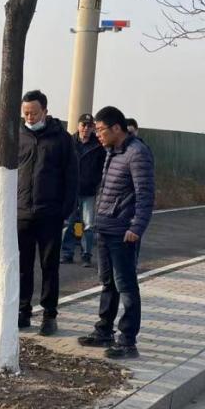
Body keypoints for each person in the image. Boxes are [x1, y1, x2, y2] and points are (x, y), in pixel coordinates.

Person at [78, 106, 154, 359]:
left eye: (101, 130)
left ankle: (128, 341)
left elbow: (145, 195)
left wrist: (137, 227)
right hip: (105, 227)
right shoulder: (112, 151)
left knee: (126, 285)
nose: (97, 134)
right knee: (108, 282)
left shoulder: (136, 153)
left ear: (116, 128)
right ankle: (104, 331)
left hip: (123, 232)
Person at [17, 90, 78, 336]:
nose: (29, 117)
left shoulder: (62, 139)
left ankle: (49, 314)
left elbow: (72, 177)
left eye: (33, 113)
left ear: (45, 111)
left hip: (50, 214)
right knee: (22, 266)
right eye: (26, 113)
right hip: (22, 213)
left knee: (49, 266)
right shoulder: (17, 136)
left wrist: (64, 211)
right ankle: (22, 310)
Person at [62, 113, 105, 267]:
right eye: (83, 125)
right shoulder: (69, 142)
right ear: (78, 126)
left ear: (93, 128)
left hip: (89, 192)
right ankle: (67, 253)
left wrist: (97, 184)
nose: (86, 128)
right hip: (72, 190)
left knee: (88, 225)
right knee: (68, 223)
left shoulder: (98, 146)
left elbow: (102, 168)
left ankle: (86, 255)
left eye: (89, 126)